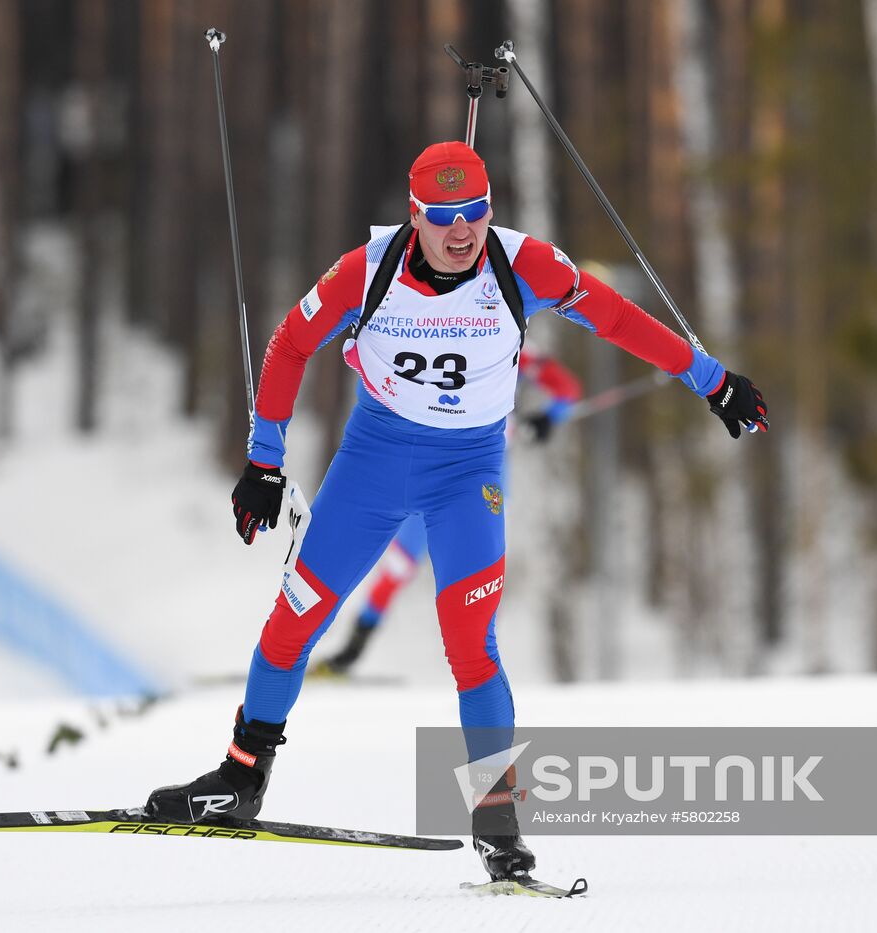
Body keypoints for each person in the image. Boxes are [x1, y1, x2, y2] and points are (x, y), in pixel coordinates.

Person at [145, 141, 768, 881]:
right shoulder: (366, 271)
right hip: (372, 464)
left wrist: (711, 379)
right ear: (414, 217)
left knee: (470, 639)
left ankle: (497, 819)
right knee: (297, 615)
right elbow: (288, 342)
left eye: (474, 212)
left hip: (467, 472)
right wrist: (264, 462)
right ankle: (241, 778)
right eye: (444, 217)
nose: (462, 230)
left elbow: (616, 318)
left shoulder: (524, 266)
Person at [314, 347, 582, 677]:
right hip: (422, 472)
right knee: (398, 566)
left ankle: (478, 668)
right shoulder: (429, 336)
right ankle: (349, 653)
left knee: (474, 575)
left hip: (474, 483)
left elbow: (567, 391)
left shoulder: (511, 347)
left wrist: (545, 420)